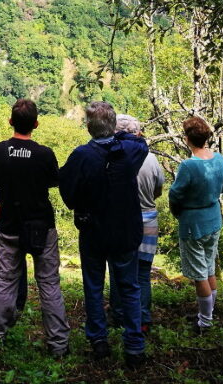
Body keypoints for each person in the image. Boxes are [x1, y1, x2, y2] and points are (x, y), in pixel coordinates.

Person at [59, 101, 148, 368]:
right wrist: (116, 134)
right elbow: (139, 140)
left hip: (94, 231)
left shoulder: (81, 156)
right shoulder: (132, 151)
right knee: (130, 287)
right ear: (113, 125)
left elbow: (69, 195)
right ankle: (134, 346)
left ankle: (98, 340)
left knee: (94, 286)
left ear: (88, 128)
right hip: (125, 230)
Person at [0, 99, 69, 357]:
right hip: (41, 226)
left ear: (10, 121)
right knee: (49, 284)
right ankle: (58, 344)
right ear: (36, 123)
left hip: (9, 223)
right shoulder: (44, 154)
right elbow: (55, 180)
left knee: (4, 281)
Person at [169, 116, 223, 333]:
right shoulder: (219, 160)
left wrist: (178, 213)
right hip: (213, 221)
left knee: (199, 275)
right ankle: (209, 313)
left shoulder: (188, 166)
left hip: (193, 225)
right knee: (209, 267)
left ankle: (205, 321)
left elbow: (175, 195)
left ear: (187, 139)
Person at [109, 114, 165, 334]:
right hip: (148, 218)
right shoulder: (151, 159)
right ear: (138, 133)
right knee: (142, 273)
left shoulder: (113, 156)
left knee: (116, 271)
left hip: (120, 219)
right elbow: (158, 189)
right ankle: (142, 319)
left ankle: (119, 316)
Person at [0, 180, 27, 314]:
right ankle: (15, 303)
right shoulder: (0, 182)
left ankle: (8, 300)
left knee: (7, 260)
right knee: (15, 261)